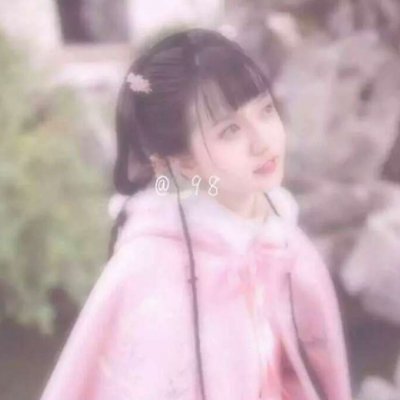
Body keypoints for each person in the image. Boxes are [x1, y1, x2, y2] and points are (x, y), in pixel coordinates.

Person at [38, 28, 352, 400]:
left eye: (266, 110)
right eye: (230, 130)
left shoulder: (282, 239)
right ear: (183, 160)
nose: (262, 141)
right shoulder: (149, 271)